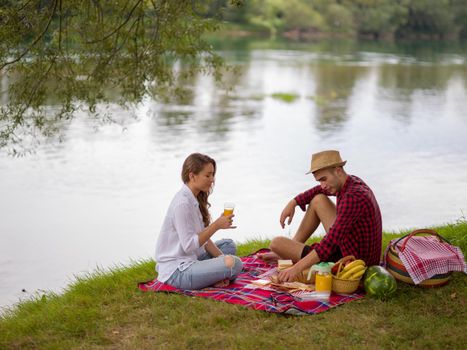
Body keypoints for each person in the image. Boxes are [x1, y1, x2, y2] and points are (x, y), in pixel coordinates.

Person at [259, 150, 382, 282]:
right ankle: (291, 251)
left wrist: (296, 269)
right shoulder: (352, 182)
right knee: (318, 199)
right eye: (319, 181)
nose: (322, 185)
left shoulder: (352, 197)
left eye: (324, 179)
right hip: (352, 246)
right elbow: (317, 191)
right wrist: (294, 202)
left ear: (338, 171)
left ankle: (289, 254)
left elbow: (329, 244)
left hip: (353, 262)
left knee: (276, 243)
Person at [155, 153, 243, 290]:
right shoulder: (182, 203)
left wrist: (221, 259)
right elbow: (189, 245)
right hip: (177, 271)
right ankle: (216, 275)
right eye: (207, 175)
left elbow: (204, 239)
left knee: (228, 245)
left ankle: (216, 274)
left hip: (192, 258)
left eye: (213, 175)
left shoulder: (194, 198)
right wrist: (216, 226)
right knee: (235, 264)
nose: (212, 180)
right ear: (192, 176)